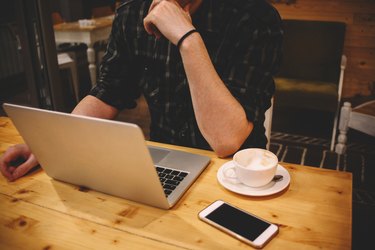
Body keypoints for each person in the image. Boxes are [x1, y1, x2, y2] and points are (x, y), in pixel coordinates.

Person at [0, 0, 283, 181]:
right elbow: (108, 93)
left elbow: (227, 140)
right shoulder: (132, 14)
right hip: (165, 165)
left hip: (240, 175)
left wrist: (188, 39)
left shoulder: (253, 18)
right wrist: (53, 144)